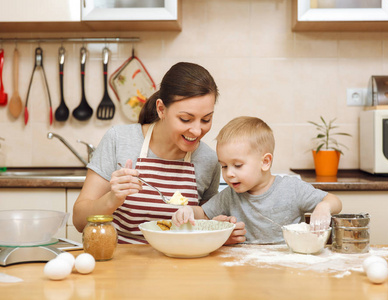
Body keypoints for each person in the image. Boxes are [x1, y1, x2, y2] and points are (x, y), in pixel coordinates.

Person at [73, 62, 246, 244]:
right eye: (185, 119)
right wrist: (112, 199)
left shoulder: (208, 159)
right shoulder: (119, 140)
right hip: (120, 261)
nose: (196, 131)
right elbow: (78, 221)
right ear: (161, 109)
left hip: (180, 262)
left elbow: (202, 223)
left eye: (206, 119)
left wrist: (219, 230)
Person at [172, 116, 342, 244]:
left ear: (265, 162)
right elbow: (203, 214)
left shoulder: (291, 188)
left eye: (237, 165)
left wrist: (323, 207)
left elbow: (334, 201)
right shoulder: (230, 195)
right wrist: (188, 212)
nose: (229, 173)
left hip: (287, 267)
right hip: (243, 270)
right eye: (224, 166)